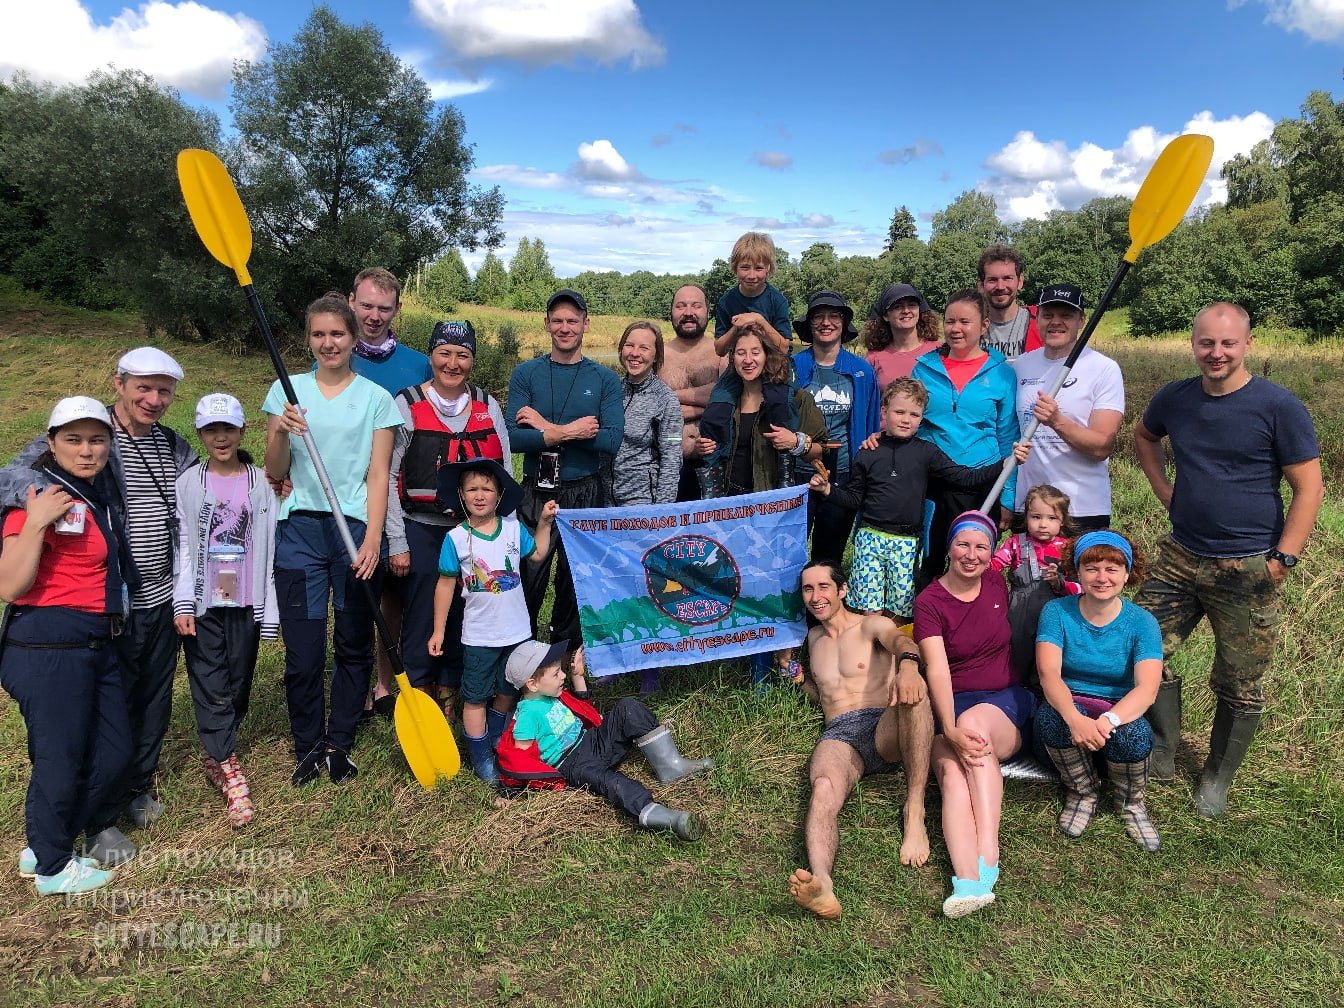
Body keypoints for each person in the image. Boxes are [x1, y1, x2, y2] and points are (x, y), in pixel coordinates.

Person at [0, 346, 196, 865]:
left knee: (153, 699)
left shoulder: (173, 446)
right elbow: (14, 478)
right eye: (143, 388)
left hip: (164, 595)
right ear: (119, 384)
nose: (153, 399)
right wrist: (39, 503)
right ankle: (90, 819)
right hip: (108, 606)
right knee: (108, 709)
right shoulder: (86, 435)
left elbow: (204, 490)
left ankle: (136, 786)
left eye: (164, 391)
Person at [1133, 302, 1322, 815]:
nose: (1216, 353)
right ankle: (1165, 751)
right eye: (1206, 343)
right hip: (1179, 555)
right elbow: (1145, 438)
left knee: (1239, 679)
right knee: (1143, 649)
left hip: (1248, 563)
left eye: (1228, 343)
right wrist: (1164, 489)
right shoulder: (1176, 398)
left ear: (1247, 344)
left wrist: (1285, 555)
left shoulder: (1278, 406)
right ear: (1193, 343)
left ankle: (1216, 776)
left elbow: (1309, 488)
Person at [263, 293, 401, 787]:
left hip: (355, 530)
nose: (328, 343)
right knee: (302, 651)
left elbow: (379, 475)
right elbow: (274, 470)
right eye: (318, 334)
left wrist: (374, 541)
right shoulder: (286, 391)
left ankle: (339, 740)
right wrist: (280, 429)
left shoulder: (376, 399)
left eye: (337, 334)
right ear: (308, 339)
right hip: (299, 530)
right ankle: (307, 744)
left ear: (353, 338)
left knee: (352, 643)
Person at [0, 397, 132, 894]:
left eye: (96, 439)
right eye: (73, 440)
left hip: (94, 639)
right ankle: (53, 866)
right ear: (50, 443)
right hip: (47, 642)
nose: (86, 450)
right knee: (61, 756)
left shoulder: (94, 493)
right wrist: (34, 521)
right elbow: (9, 586)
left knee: (115, 750)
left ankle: (43, 840)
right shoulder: (38, 495)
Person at [785, 561, 933, 921]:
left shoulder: (871, 624)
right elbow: (823, 694)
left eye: (823, 587)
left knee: (915, 695)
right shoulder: (813, 640)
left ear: (842, 590)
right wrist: (795, 675)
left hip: (885, 723)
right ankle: (822, 883)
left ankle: (915, 810)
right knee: (823, 786)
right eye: (808, 589)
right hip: (840, 734)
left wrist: (910, 667)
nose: (816, 596)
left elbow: (902, 641)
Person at [385, 320, 511, 723]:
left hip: (471, 529)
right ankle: (418, 695)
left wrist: (501, 535)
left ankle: (453, 691)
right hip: (420, 525)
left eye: (463, 355)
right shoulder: (406, 403)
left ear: (472, 360)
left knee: (468, 609)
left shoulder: (486, 404)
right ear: (431, 356)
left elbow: (504, 469)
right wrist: (397, 540)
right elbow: (387, 475)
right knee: (422, 612)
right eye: (444, 353)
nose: (453, 363)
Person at [811, 378, 1018, 622]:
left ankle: (898, 655)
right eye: (899, 412)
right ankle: (874, 655)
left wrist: (1005, 464)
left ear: (922, 418)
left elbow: (965, 477)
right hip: (870, 539)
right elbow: (854, 498)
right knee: (871, 612)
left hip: (907, 542)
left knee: (901, 612)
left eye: (914, 414)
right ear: (884, 412)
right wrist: (827, 490)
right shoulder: (867, 451)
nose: (906, 419)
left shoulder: (926, 451)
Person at [914, 511, 1036, 918]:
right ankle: (967, 882)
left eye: (981, 546)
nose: (972, 555)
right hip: (953, 706)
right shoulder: (930, 602)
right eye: (963, 544)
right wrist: (946, 726)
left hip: (1005, 701)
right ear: (948, 547)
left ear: (991, 553)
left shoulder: (996, 582)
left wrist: (957, 727)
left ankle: (989, 850)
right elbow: (936, 669)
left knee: (974, 733)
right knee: (950, 773)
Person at [506, 288, 622, 698]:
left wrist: (543, 427)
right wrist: (570, 431)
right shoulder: (526, 373)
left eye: (573, 320)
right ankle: (521, 666)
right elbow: (513, 438)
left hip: (584, 493)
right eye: (558, 320)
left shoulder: (604, 379)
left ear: (586, 324)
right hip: (537, 492)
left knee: (574, 586)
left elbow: (610, 439)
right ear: (547, 324)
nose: (565, 327)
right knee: (527, 579)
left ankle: (566, 665)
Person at [172, 394, 278, 828]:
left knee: (237, 681)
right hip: (204, 601)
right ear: (200, 434)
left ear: (241, 432)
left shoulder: (261, 482)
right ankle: (227, 765)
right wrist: (182, 600)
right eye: (211, 430)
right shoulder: (189, 483)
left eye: (228, 429)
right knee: (210, 680)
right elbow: (182, 545)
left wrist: (270, 606)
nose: (220, 438)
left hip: (245, 596)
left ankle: (218, 746)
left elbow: (270, 542)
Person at [698, 329, 824, 685]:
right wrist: (705, 449)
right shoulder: (724, 401)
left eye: (755, 352)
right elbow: (710, 449)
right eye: (740, 353)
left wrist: (796, 442)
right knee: (736, 582)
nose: (748, 359)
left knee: (773, 585)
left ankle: (767, 665)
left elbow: (823, 448)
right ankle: (738, 652)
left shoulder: (795, 398)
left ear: (767, 356)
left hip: (775, 509)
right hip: (731, 504)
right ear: (732, 359)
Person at [502, 639, 712, 839]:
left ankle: (671, 766)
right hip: (573, 764)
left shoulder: (552, 694)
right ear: (532, 684)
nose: (563, 676)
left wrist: (578, 676)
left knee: (628, 708)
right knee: (613, 783)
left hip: (591, 741)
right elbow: (519, 758)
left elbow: (583, 708)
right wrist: (508, 791)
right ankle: (667, 819)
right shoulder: (527, 715)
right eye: (556, 673)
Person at [428, 459, 556, 785]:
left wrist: (542, 523)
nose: (480, 495)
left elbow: (538, 554)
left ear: (499, 495)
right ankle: (481, 756)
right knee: (474, 697)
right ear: (461, 494)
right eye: (472, 488)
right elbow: (445, 585)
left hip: (516, 634)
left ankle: (498, 736)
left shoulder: (513, 530)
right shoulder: (455, 539)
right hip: (480, 636)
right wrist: (439, 630)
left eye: (487, 488)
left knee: (507, 689)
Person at [1035, 531, 1163, 851]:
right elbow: (1048, 673)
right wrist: (1074, 719)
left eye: (1112, 569)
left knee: (1133, 735)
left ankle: (1130, 803)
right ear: (1078, 572)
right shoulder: (1057, 612)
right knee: (1052, 719)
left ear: (1126, 573)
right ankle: (1082, 792)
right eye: (1092, 568)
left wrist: (1108, 720)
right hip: (1071, 700)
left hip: (1117, 707)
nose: (1101, 577)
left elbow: (1147, 688)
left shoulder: (1142, 622)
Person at [343, 267, 432, 722]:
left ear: (397, 309)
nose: (374, 315)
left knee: (393, 595)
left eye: (384, 307)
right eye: (366, 305)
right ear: (351, 302)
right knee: (356, 595)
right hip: (347, 494)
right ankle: (352, 684)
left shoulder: (418, 365)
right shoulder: (335, 355)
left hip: (402, 499)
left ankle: (384, 682)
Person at [911, 289, 1020, 582]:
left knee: (973, 565)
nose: (955, 329)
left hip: (982, 482)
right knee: (928, 564)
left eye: (964, 322)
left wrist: (1007, 497)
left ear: (984, 325)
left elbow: (1008, 434)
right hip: (935, 483)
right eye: (949, 321)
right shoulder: (923, 368)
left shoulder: (1001, 373)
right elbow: (909, 422)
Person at [1012, 284, 1124, 531]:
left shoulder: (1103, 368)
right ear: (1037, 319)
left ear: (1081, 320)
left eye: (1066, 315)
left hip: (1082, 509)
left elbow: (1101, 447)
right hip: (1030, 508)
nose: (1056, 322)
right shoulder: (1021, 366)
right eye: (1048, 315)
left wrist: (1057, 421)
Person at [791, 290, 880, 563]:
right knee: (788, 553)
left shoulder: (861, 370)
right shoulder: (793, 366)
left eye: (834, 316)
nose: (826, 323)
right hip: (797, 473)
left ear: (843, 323)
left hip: (843, 472)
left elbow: (872, 422)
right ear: (810, 324)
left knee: (829, 554)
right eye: (818, 316)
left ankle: (824, 604)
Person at [991, 483, 1080, 689]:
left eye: (1051, 518)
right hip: (1018, 612)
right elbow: (994, 566)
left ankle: (1045, 696)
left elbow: (1080, 587)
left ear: (1062, 521)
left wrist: (1060, 583)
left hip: (1056, 611)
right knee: (1017, 654)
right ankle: (1014, 694)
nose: (1043, 524)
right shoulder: (1014, 543)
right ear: (1026, 517)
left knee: (1049, 658)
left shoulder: (1068, 549)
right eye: (1036, 517)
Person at [704, 232, 794, 425]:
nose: (752, 275)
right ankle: (718, 453)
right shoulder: (727, 301)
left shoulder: (777, 300)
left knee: (782, 403)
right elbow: (720, 349)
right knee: (717, 407)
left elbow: (784, 347)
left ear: (769, 268)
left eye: (759, 268)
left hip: (774, 368)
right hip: (738, 369)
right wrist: (736, 329)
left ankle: (787, 452)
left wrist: (760, 321)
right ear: (735, 268)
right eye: (745, 268)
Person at [660, 284, 725, 502]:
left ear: (708, 311)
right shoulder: (658, 355)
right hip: (668, 460)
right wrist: (704, 402)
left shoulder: (721, 353)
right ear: (671, 311)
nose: (689, 312)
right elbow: (652, 409)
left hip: (714, 461)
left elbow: (722, 399)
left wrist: (670, 397)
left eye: (696, 306)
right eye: (681, 306)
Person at [611, 320, 683, 507]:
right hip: (605, 503)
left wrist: (661, 511)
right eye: (629, 345)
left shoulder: (665, 399)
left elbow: (672, 459)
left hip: (643, 504)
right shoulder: (611, 390)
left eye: (644, 348)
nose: (635, 353)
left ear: (656, 355)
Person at [861, 283, 941, 390]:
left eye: (912, 305)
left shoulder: (939, 351)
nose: (906, 311)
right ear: (885, 316)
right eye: (897, 306)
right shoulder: (873, 359)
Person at [977, 244, 1040, 361]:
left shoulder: (1041, 323)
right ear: (981, 285)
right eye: (992, 280)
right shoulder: (970, 327)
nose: (1000, 286)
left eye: (1007, 278)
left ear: (1020, 281)